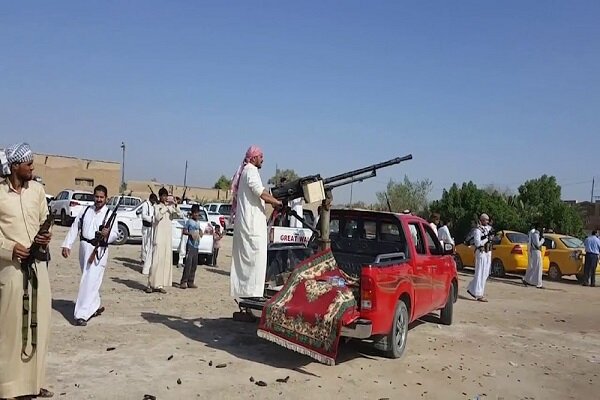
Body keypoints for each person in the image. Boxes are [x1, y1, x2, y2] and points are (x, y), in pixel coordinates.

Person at [0, 142, 54, 399]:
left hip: (38, 267)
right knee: (10, 330)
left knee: (40, 325)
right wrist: (9, 248)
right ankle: (8, 387)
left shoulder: (38, 191)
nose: (32, 166)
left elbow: (44, 220)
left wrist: (45, 237)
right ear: (14, 167)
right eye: (27, 163)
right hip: (10, 269)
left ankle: (35, 383)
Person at [61, 185, 119, 326]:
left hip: (99, 251)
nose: (99, 200)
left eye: (101, 197)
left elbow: (115, 234)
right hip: (84, 248)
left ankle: (81, 314)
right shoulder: (86, 210)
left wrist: (107, 235)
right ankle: (95, 305)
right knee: (89, 279)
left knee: (89, 280)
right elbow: (76, 226)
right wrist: (67, 244)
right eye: (97, 196)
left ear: (106, 198)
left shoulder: (110, 214)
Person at [230, 145, 283, 300]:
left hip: (249, 224)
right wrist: (276, 202)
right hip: (251, 226)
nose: (262, 159)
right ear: (253, 158)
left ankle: (250, 294)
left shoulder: (247, 171)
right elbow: (261, 193)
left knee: (253, 261)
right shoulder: (251, 171)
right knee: (255, 260)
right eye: (260, 156)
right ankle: (252, 295)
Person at [146, 188, 181, 293]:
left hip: (167, 239)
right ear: (160, 196)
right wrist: (166, 208)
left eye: (166, 196)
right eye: (163, 196)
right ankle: (150, 284)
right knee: (156, 261)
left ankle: (160, 285)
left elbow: (178, 215)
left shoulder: (169, 208)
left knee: (164, 262)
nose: (165, 198)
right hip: (158, 238)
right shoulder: (157, 207)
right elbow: (157, 217)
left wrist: (175, 205)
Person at [466, 213, 493, 302]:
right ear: (482, 220)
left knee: (485, 273)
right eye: (486, 220)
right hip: (481, 252)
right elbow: (478, 243)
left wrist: (491, 237)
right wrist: (487, 239)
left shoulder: (487, 228)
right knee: (480, 273)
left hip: (488, 252)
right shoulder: (477, 231)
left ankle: (472, 289)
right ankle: (478, 294)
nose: (487, 221)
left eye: (488, 220)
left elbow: (492, 234)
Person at [180, 204, 202, 289]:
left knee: (194, 265)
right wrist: (190, 234)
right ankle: (183, 281)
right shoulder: (189, 221)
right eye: (195, 213)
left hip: (196, 245)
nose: (196, 215)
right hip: (190, 245)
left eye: (197, 213)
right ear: (192, 213)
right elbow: (184, 231)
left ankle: (191, 281)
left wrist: (200, 232)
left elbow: (199, 229)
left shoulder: (198, 222)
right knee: (188, 264)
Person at [140, 193, 158, 275]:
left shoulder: (153, 205)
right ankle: (143, 260)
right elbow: (143, 216)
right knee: (145, 244)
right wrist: (151, 219)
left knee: (149, 244)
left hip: (151, 227)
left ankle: (147, 260)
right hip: (146, 227)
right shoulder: (145, 204)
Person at [523, 223, 544, 288]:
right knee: (538, 267)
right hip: (536, 251)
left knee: (535, 267)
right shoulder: (535, 234)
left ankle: (529, 280)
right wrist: (542, 240)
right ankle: (538, 283)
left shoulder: (535, 234)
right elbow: (537, 244)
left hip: (535, 251)